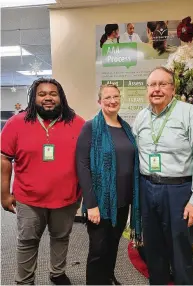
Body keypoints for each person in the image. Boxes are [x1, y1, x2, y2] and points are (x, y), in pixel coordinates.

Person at [132, 67, 193, 285]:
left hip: (179, 192)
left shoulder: (190, 114)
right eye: (152, 85)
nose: (156, 89)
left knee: (180, 252)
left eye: (162, 84)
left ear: (173, 88)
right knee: (153, 249)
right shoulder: (141, 117)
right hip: (147, 189)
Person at [1, 78, 85, 285]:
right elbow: (4, 158)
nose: (48, 98)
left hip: (66, 197)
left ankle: (57, 273)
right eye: (42, 94)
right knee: (28, 241)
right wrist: (4, 194)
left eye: (53, 94)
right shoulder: (16, 123)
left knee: (61, 237)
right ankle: (25, 280)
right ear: (34, 98)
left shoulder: (78, 123)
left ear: (61, 97)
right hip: (28, 198)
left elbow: (87, 159)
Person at [76, 84, 141, 285]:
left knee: (113, 244)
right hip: (100, 202)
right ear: (99, 102)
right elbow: (82, 165)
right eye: (107, 98)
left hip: (122, 202)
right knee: (98, 249)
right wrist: (91, 203)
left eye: (116, 96)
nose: (112, 101)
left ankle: (108, 276)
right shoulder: (91, 127)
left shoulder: (126, 128)